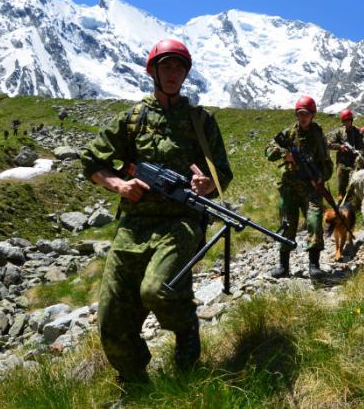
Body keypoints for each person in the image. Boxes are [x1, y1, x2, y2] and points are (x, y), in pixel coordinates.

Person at [79, 39, 233, 387]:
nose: (173, 73)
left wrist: (207, 183)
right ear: (153, 71)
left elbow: (222, 173)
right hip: (133, 225)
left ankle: (186, 340)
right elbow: (91, 161)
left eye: (179, 68)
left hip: (181, 221)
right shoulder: (132, 119)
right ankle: (136, 383)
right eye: (166, 66)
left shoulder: (200, 121)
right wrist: (119, 185)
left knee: (157, 290)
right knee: (112, 318)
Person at [265, 95, 333, 279]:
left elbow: (328, 164)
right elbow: (268, 151)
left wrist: (319, 177)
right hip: (289, 187)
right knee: (287, 224)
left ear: (313, 115)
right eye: (300, 114)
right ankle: (283, 265)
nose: (303, 117)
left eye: (307, 114)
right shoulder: (288, 134)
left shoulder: (319, 137)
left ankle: (314, 264)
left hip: (311, 188)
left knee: (314, 220)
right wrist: (283, 154)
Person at [326, 109, 363, 198]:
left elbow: (362, 145)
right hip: (342, 163)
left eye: (348, 121)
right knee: (342, 185)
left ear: (351, 120)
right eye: (345, 121)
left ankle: (352, 201)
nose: (347, 123)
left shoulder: (357, 131)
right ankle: (341, 200)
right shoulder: (339, 132)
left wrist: (359, 153)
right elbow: (329, 144)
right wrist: (340, 147)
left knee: (354, 183)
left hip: (354, 162)